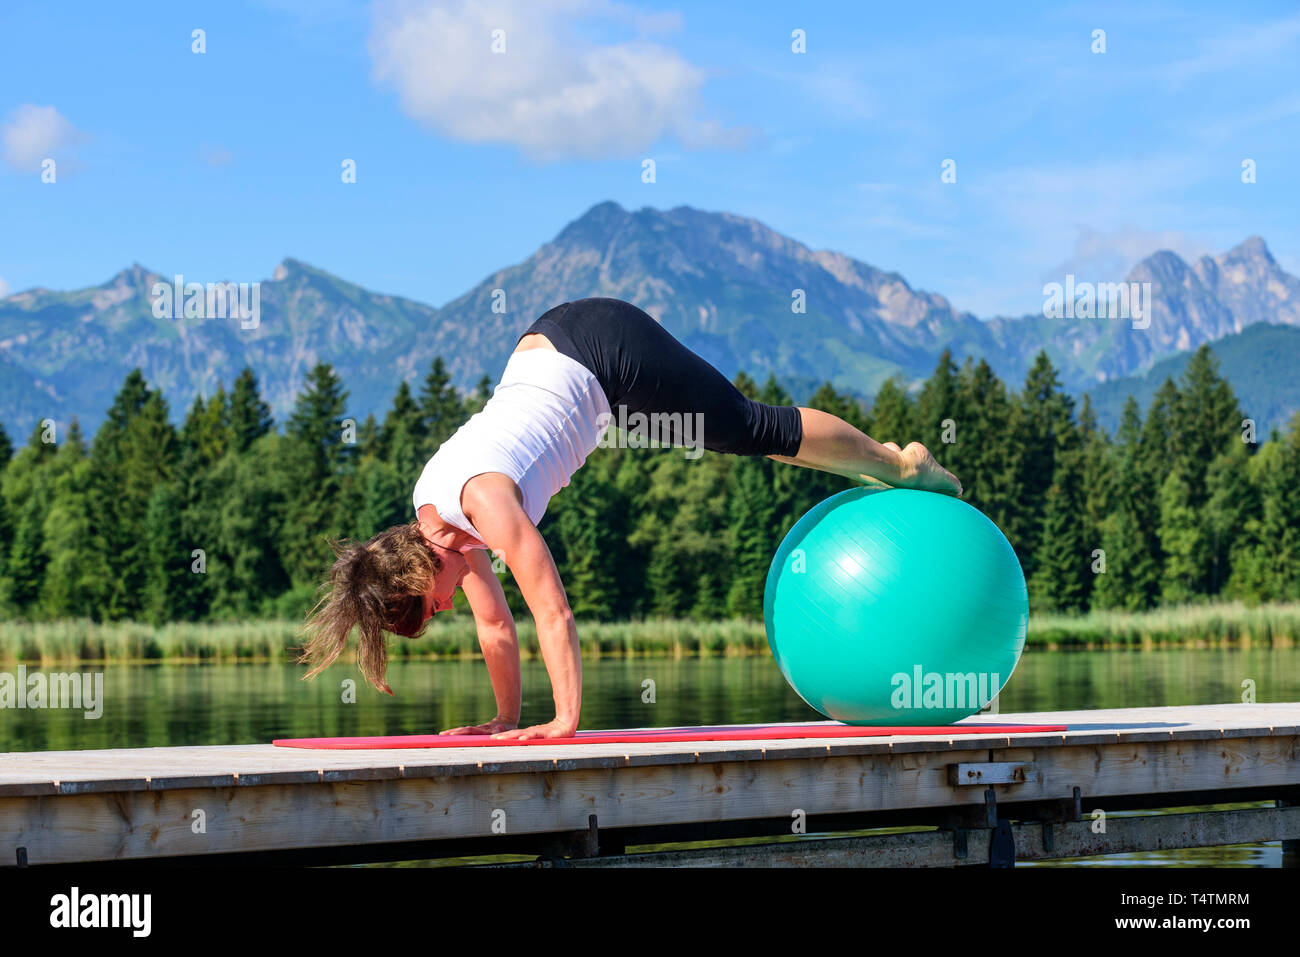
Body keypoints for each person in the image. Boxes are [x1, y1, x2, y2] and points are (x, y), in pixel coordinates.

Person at [299, 298, 960, 739]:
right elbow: (496, 623)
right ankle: (887, 464)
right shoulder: (435, 514)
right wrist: (501, 720)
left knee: (743, 424)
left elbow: (550, 608)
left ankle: (897, 465)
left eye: (427, 608)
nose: (442, 611)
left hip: (602, 351)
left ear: (417, 573)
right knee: (725, 427)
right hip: (553, 346)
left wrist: (565, 719)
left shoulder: (482, 503)